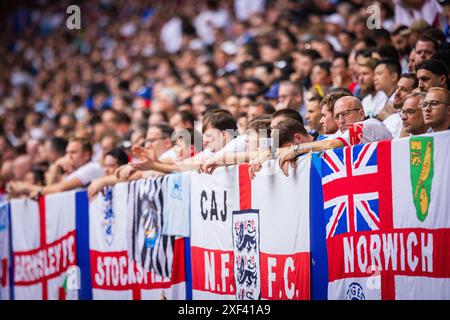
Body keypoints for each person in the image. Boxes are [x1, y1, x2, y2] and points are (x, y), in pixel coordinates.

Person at [8, 137, 104, 197]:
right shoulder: (71, 172)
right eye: (67, 152)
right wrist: (55, 168)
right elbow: (51, 189)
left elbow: (61, 188)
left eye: (73, 152)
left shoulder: (92, 167)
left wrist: (26, 187)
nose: (68, 156)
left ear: (86, 155)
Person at [383, 73, 418, 138]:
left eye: (403, 89)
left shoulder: (418, 121)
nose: (397, 92)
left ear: (415, 93)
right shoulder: (389, 120)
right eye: (397, 88)